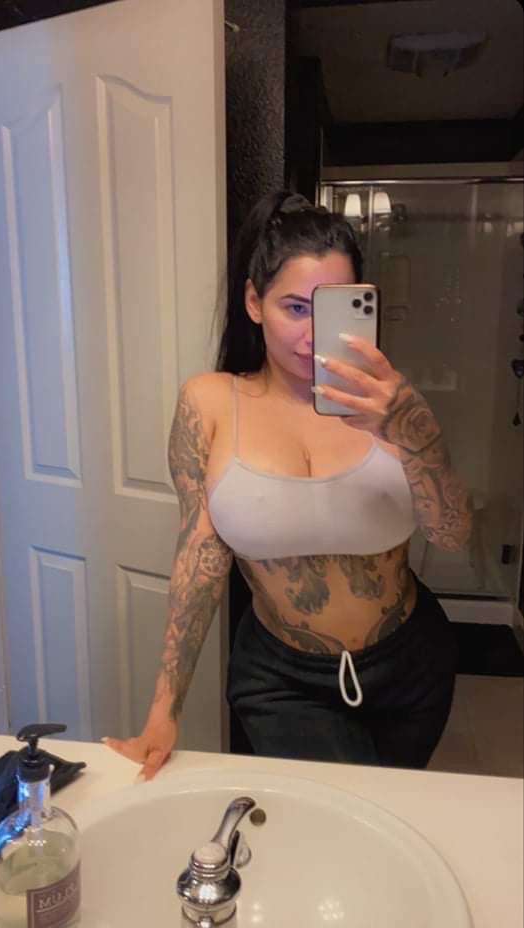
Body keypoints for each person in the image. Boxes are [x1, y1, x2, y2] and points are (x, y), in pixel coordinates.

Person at [104, 191, 472, 779]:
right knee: (338, 814)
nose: (312, 335)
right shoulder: (210, 403)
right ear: (254, 301)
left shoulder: (392, 406)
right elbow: (200, 557)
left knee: (388, 815)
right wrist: (163, 709)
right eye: (296, 308)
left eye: (332, 309)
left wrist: (416, 431)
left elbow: (452, 534)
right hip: (281, 679)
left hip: (411, 665)